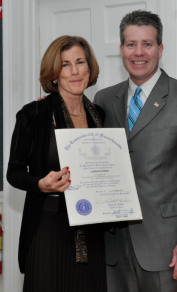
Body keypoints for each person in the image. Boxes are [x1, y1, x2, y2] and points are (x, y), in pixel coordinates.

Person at [94, 10, 177, 292]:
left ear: (160, 49)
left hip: (168, 246)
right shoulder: (103, 99)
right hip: (113, 246)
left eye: (147, 44)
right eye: (131, 44)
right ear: (121, 49)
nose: (139, 52)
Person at [7, 36, 107, 292]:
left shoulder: (100, 115)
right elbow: (14, 172)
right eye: (65, 65)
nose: (74, 72)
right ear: (54, 73)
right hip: (48, 229)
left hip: (93, 230)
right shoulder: (34, 114)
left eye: (80, 62)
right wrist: (40, 184)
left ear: (90, 67)